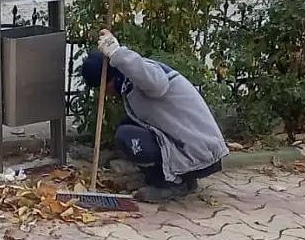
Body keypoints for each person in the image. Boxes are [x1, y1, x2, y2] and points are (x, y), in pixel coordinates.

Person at [82, 29, 228, 203]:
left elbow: (156, 84)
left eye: (101, 88)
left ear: (106, 82)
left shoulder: (144, 75)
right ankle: (184, 179)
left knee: (125, 135)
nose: (104, 93)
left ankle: (170, 185)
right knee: (127, 124)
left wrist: (117, 53)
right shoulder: (129, 84)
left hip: (200, 151)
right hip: (195, 149)